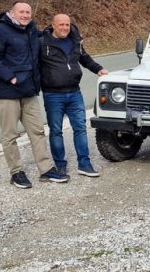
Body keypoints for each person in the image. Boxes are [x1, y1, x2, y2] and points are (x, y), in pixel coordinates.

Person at [0, 2, 69, 188]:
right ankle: (16, 172)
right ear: (12, 13)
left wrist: (70, 35)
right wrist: (9, 77)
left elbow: (49, 35)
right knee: (10, 135)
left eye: (28, 12)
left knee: (37, 131)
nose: (25, 15)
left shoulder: (31, 30)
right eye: (21, 11)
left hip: (29, 92)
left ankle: (46, 169)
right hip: (8, 92)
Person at [39, 14, 108, 178]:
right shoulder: (42, 43)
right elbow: (33, 65)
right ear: (53, 25)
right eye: (61, 24)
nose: (64, 27)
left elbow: (84, 58)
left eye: (67, 24)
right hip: (53, 94)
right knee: (56, 131)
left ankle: (84, 164)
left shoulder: (75, 41)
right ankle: (60, 166)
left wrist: (98, 69)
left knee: (80, 128)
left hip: (74, 93)